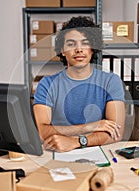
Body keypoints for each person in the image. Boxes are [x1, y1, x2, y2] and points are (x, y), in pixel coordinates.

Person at [33, 16, 125, 152]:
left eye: (85, 43)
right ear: (62, 51)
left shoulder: (111, 81)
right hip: (58, 151)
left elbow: (116, 134)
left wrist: (76, 141)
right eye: (71, 44)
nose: (79, 49)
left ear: (93, 48)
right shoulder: (46, 84)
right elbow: (42, 132)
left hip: (98, 151)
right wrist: (90, 127)